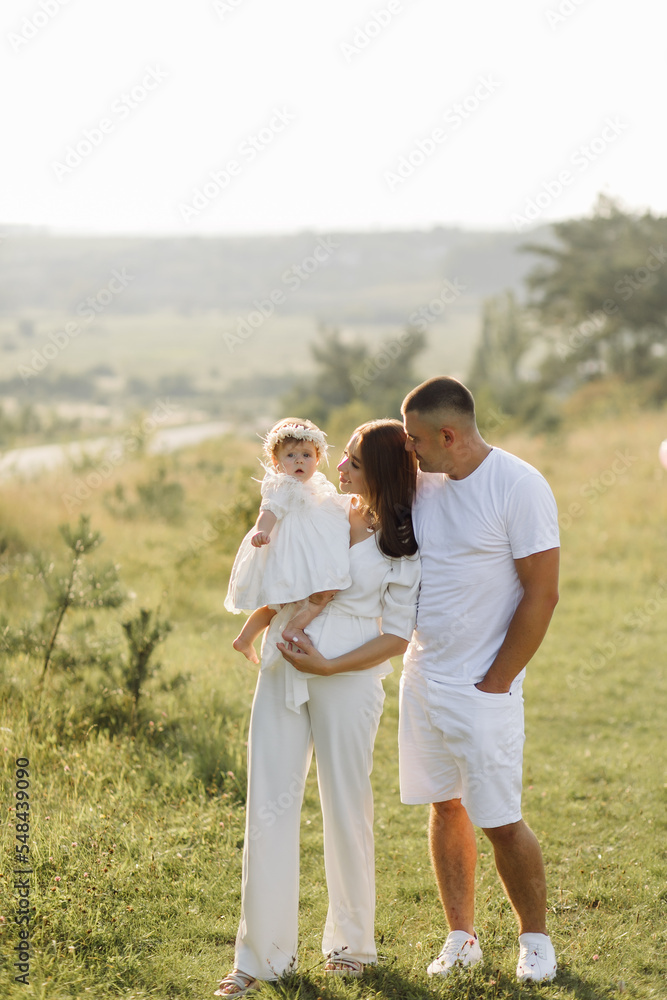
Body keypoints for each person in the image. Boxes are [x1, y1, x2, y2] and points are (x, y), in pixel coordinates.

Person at [215, 419, 421, 997]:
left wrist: (329, 665)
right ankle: (259, 958)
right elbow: (274, 559)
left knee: (346, 806)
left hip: (348, 675)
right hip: (284, 660)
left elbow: (398, 636)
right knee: (267, 805)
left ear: (377, 469)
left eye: (351, 460)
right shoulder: (320, 507)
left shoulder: (402, 539)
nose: (338, 467)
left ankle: (352, 945)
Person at [399, 376, 560, 983]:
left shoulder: (518, 485)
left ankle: (535, 941)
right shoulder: (425, 482)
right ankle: (461, 937)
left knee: (500, 818)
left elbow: (541, 595)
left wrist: (497, 681)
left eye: (416, 438)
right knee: (446, 806)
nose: (411, 449)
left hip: (484, 685)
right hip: (423, 675)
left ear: (448, 433)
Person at [224, 418, 352, 664]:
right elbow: (268, 511)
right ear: (277, 462)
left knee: (304, 597)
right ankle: (247, 638)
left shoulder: (318, 485)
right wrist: (261, 532)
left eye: (306, 455)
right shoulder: (281, 486)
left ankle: (258, 636)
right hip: (289, 551)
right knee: (281, 602)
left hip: (309, 551)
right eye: (291, 455)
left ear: (317, 458)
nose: (299, 461)